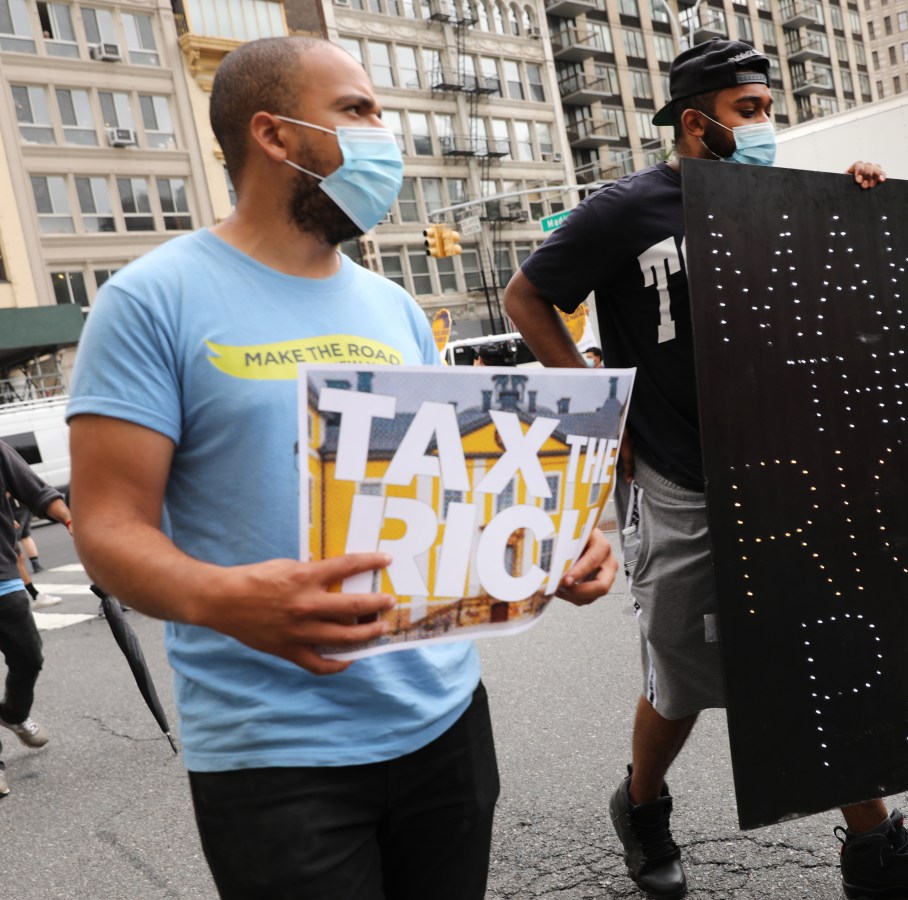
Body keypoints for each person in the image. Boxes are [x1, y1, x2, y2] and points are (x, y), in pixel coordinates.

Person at [67, 36, 615, 900]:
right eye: (357, 111)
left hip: (446, 724)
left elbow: (446, 490)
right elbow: (105, 528)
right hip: (274, 759)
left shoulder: (393, 306)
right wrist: (224, 600)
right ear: (274, 135)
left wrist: (551, 545)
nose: (383, 135)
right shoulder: (149, 300)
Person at [505, 38, 908, 900]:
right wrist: (596, 404)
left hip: (786, 472)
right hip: (682, 476)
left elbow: (846, 300)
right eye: (750, 110)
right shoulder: (626, 209)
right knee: (685, 673)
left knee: (826, 648)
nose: (768, 124)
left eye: (770, 107)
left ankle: (873, 848)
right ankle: (642, 804)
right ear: (698, 124)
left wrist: (863, 203)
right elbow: (525, 296)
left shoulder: (781, 200)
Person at [0, 441, 70, 797]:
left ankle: (13, 713)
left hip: (4, 579)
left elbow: (38, 492)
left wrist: (69, 519)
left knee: (29, 658)